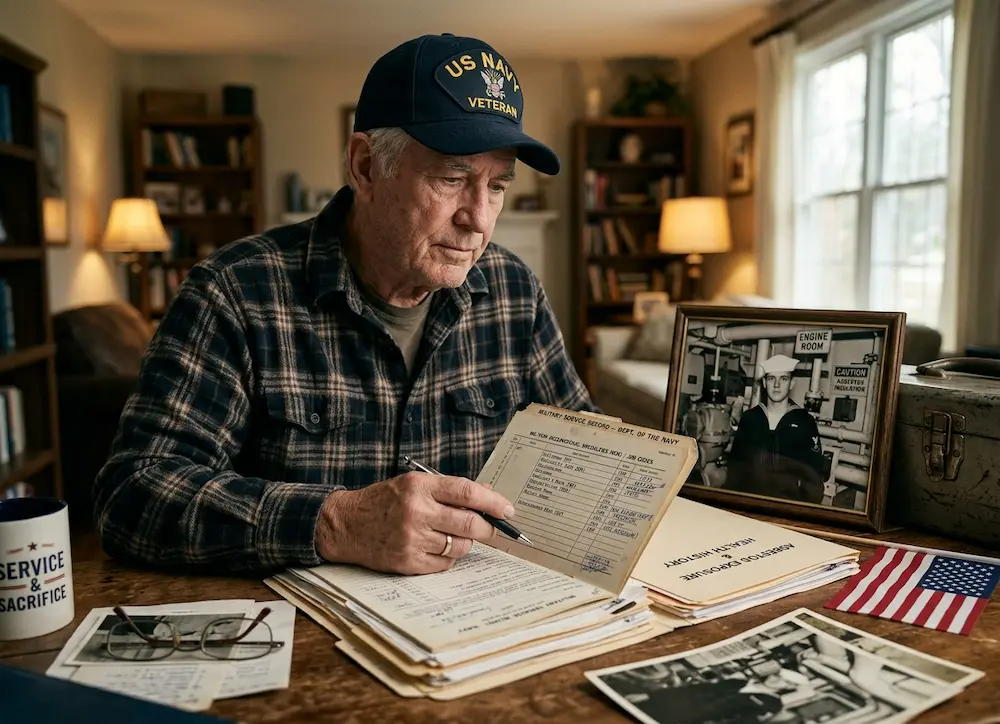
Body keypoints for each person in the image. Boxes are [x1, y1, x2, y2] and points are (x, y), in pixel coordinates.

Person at [92, 33, 596, 577]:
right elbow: (133, 494)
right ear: (365, 167)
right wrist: (336, 522)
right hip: (299, 639)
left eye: (497, 186)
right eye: (452, 178)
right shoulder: (234, 292)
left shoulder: (513, 291)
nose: (478, 218)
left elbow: (583, 446)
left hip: (480, 622)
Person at [724, 353, 827, 503]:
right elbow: (735, 468)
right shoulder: (750, 418)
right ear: (765, 383)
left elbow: (814, 477)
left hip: (787, 507)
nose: (777, 385)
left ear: (791, 383)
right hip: (750, 504)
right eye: (771, 379)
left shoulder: (804, 421)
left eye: (783, 379)